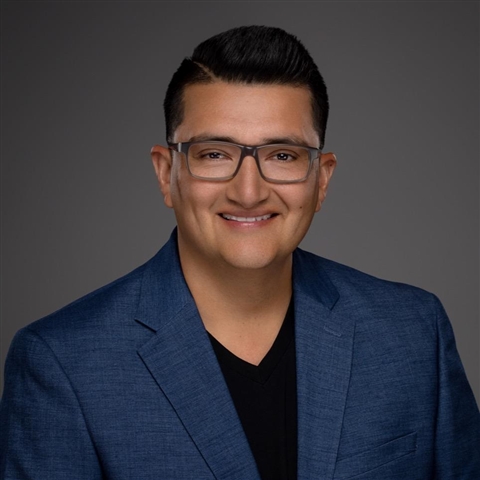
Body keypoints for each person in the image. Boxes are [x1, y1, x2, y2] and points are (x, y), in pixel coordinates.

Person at [1, 25, 479, 480]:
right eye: (215, 154)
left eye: (282, 155)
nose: (248, 192)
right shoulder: (63, 364)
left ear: (322, 180)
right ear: (166, 174)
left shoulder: (413, 333)